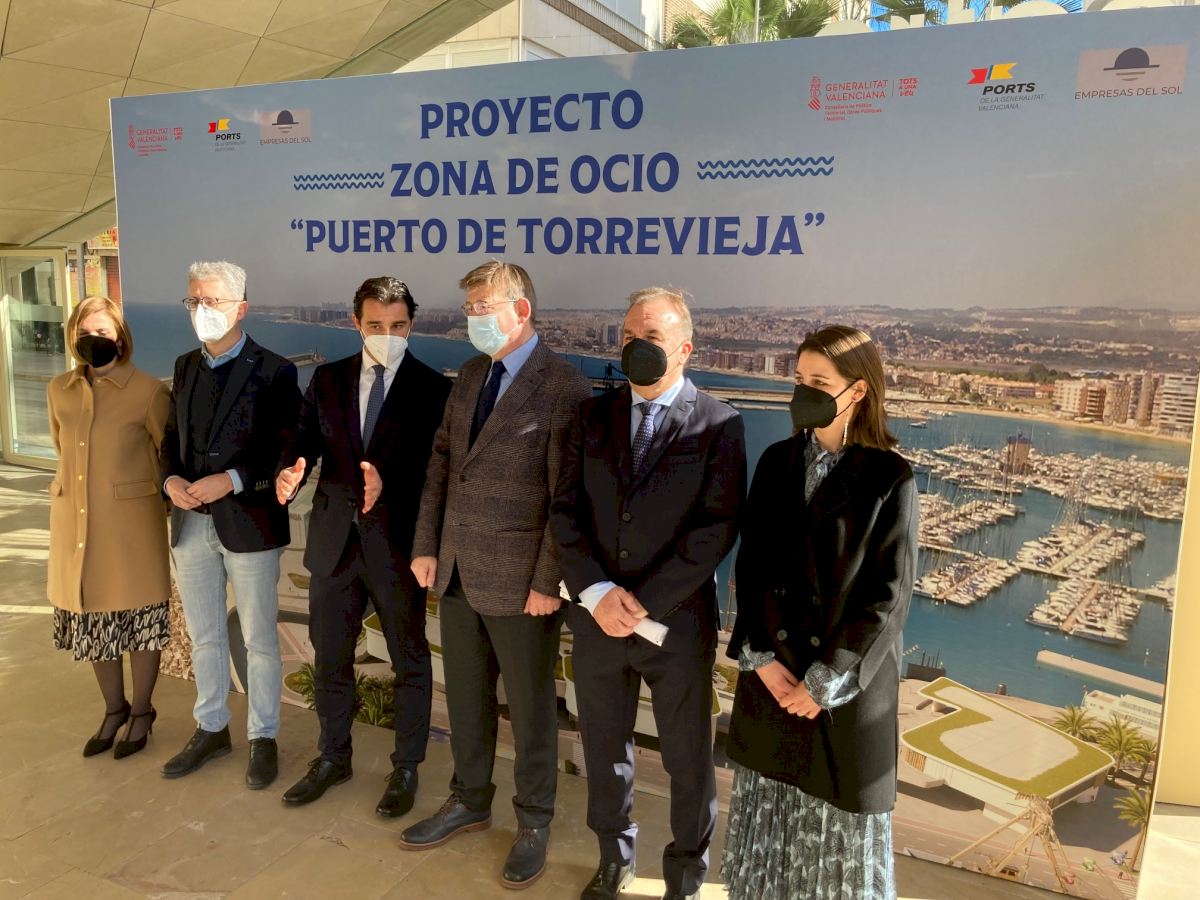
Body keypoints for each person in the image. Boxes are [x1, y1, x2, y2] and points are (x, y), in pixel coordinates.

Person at [550, 287, 746, 900]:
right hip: (598, 623)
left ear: (684, 349)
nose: (637, 347)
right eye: (628, 337)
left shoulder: (720, 423)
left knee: (688, 761)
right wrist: (597, 593)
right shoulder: (590, 416)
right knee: (605, 751)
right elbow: (565, 512)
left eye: (652, 338)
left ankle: (685, 876)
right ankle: (615, 859)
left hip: (676, 628)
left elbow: (716, 529)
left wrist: (641, 603)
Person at [402, 260, 592, 890]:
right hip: (456, 569)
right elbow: (441, 464)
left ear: (521, 310)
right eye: (469, 309)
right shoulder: (470, 376)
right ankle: (469, 799)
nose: (473, 319)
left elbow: (568, 497)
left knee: (532, 711)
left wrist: (547, 582)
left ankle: (533, 821)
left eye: (483, 308)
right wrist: (427, 545)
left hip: (522, 583)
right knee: (465, 697)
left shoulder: (564, 387)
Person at [721, 325, 919, 900]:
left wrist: (823, 682)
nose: (803, 392)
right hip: (773, 685)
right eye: (799, 379)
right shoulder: (776, 461)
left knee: (837, 865)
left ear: (858, 390)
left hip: (840, 700)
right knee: (767, 849)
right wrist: (759, 659)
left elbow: (887, 597)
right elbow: (750, 569)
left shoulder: (889, 478)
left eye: (819, 382)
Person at [275, 277, 450, 813]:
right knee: (330, 657)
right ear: (356, 323)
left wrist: (387, 484)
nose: (387, 334)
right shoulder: (327, 379)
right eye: (376, 325)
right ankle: (333, 757)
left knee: (409, 660)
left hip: (397, 546)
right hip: (335, 543)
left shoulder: (433, 389)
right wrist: (291, 469)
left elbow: (438, 472)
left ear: (411, 325)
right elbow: (303, 439)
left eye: (398, 325)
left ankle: (406, 768)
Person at [159, 260, 301, 790]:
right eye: (193, 300)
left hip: (249, 523)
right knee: (205, 636)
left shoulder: (275, 371)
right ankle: (211, 727)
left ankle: (263, 737)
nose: (201, 310)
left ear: (241, 308)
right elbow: (170, 439)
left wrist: (234, 480)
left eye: (212, 301)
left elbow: (285, 451)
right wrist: (170, 479)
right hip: (190, 523)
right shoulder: (184, 367)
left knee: (260, 640)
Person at [47, 296, 171, 759]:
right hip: (76, 525)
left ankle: (141, 711)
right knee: (95, 620)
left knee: (140, 619)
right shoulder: (58, 390)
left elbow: (167, 455)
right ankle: (114, 709)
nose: (92, 339)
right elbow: (62, 448)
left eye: (102, 331)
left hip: (132, 528)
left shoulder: (148, 391)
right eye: (84, 332)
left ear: (120, 337)